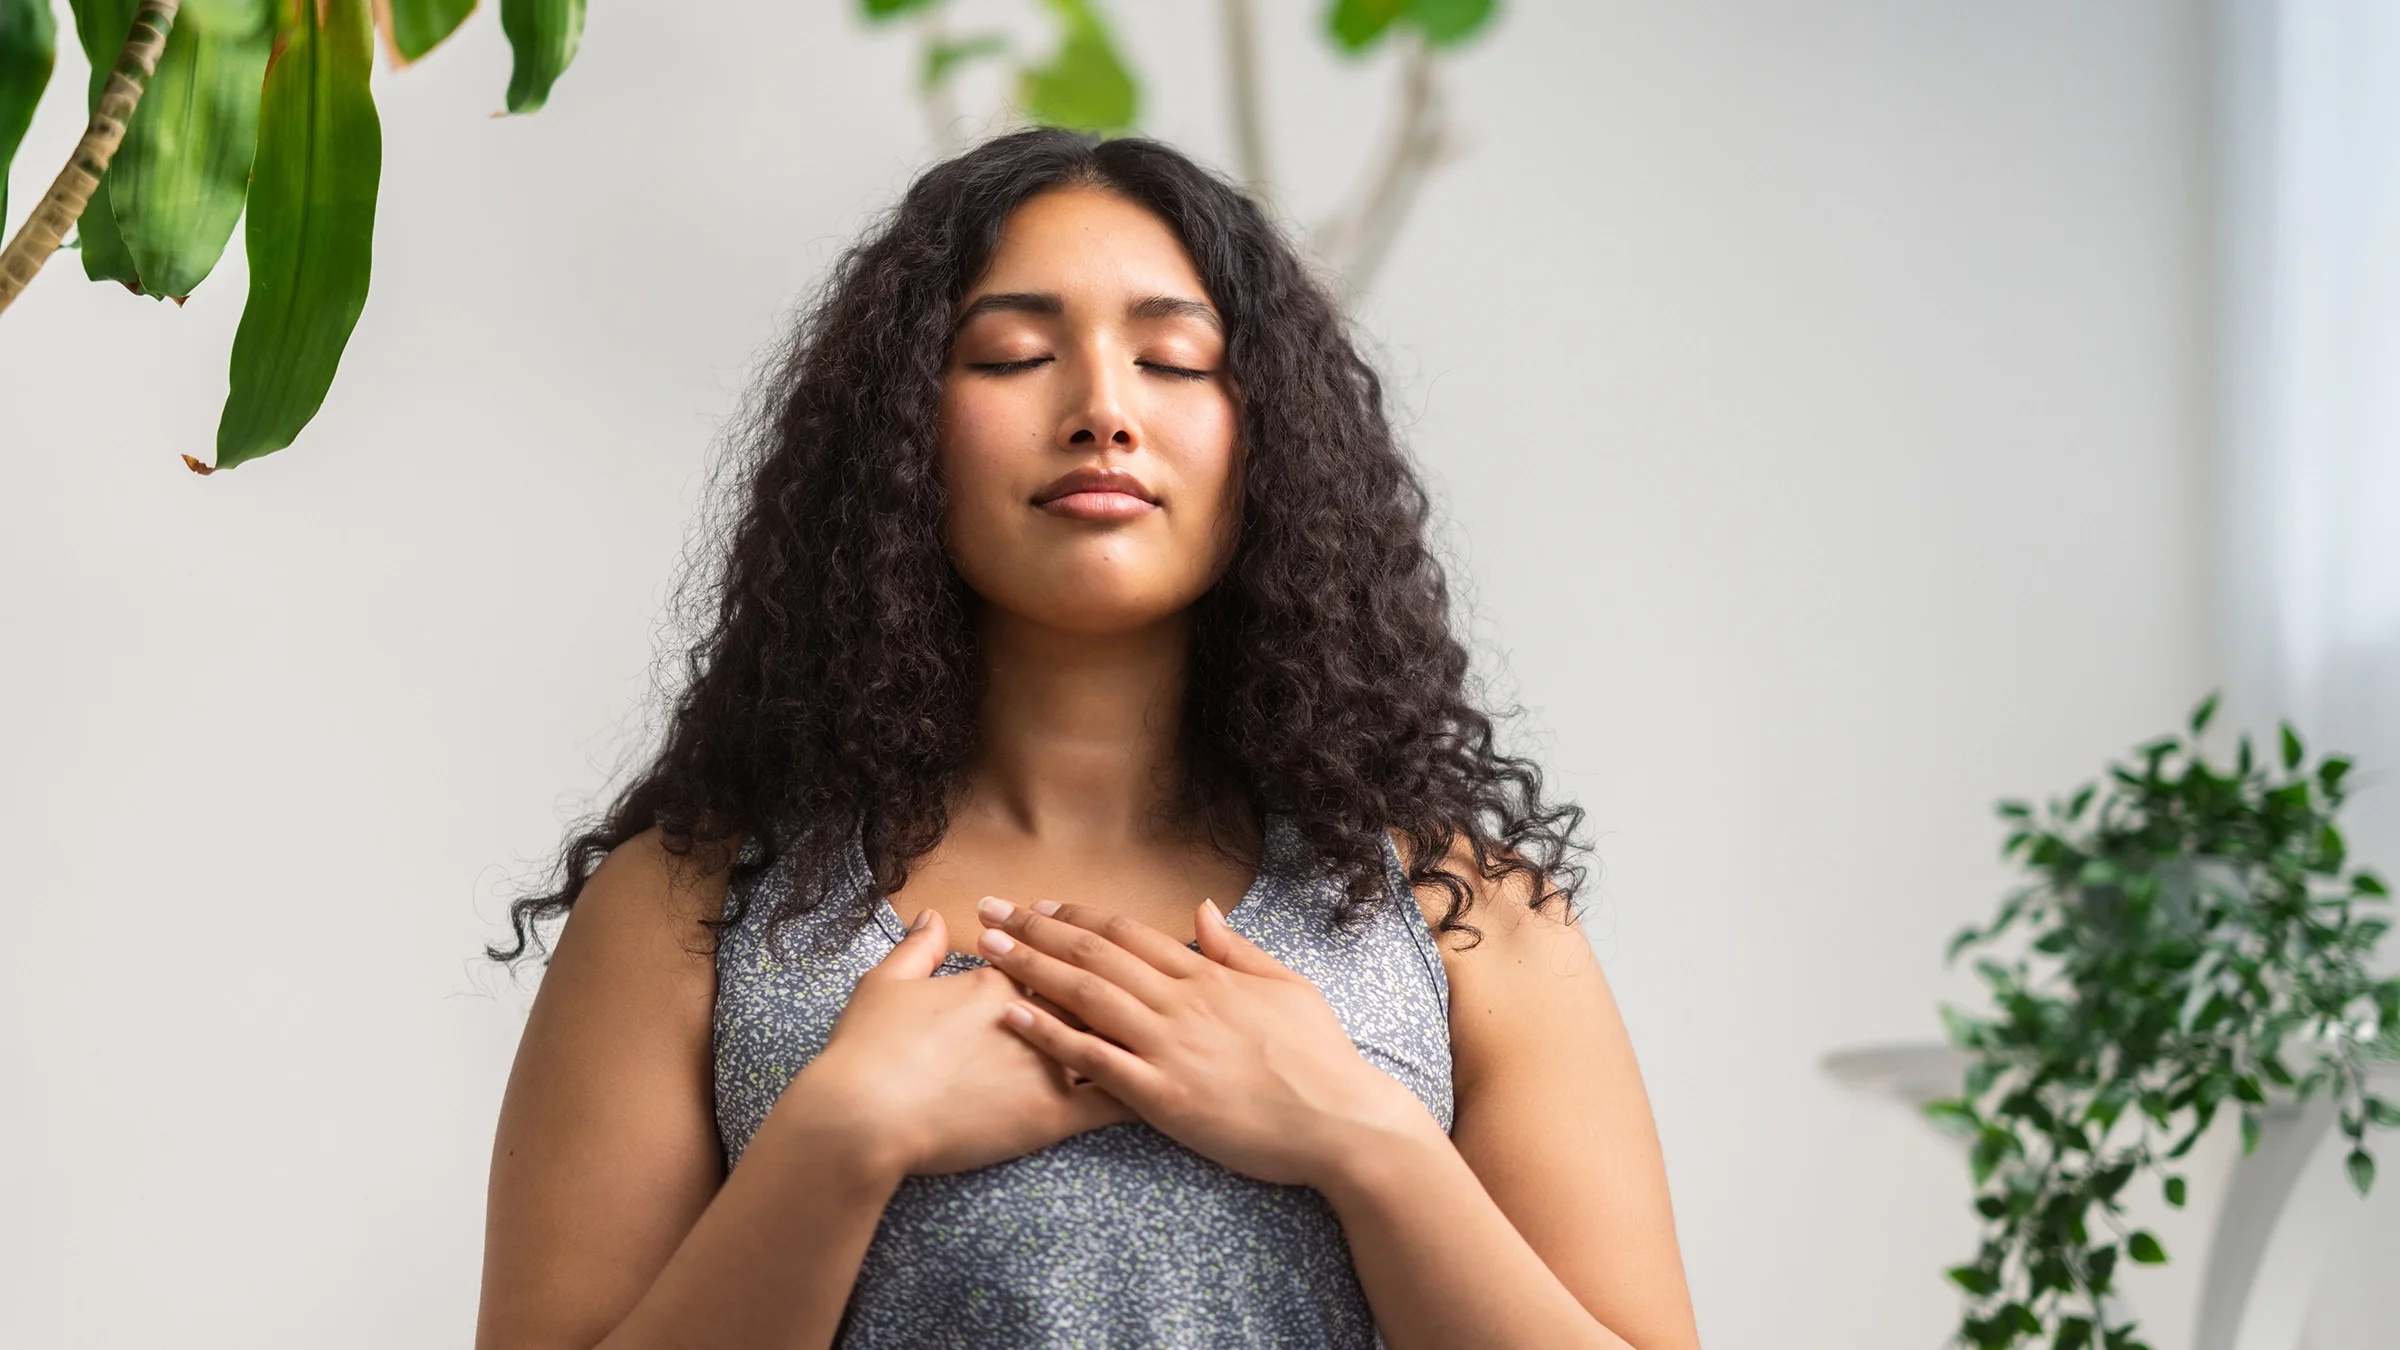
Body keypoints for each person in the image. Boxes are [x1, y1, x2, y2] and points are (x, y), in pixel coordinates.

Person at [474, 128, 1699, 1350]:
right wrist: (836, 1140)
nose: (1102, 409)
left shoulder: (1462, 912)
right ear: (900, 430)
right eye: (1012, 356)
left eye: (1174, 359)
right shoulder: (687, 909)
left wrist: (1358, 1135)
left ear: (1269, 436)